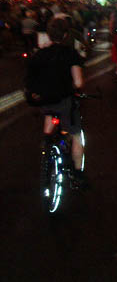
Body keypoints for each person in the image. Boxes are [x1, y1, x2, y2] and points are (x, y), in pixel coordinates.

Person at [24, 18, 86, 185]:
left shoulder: (39, 54)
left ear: (49, 35)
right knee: (76, 135)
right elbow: (78, 82)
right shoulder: (70, 54)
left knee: (49, 112)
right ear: (65, 35)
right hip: (64, 100)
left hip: (44, 101)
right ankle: (77, 173)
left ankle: (47, 142)